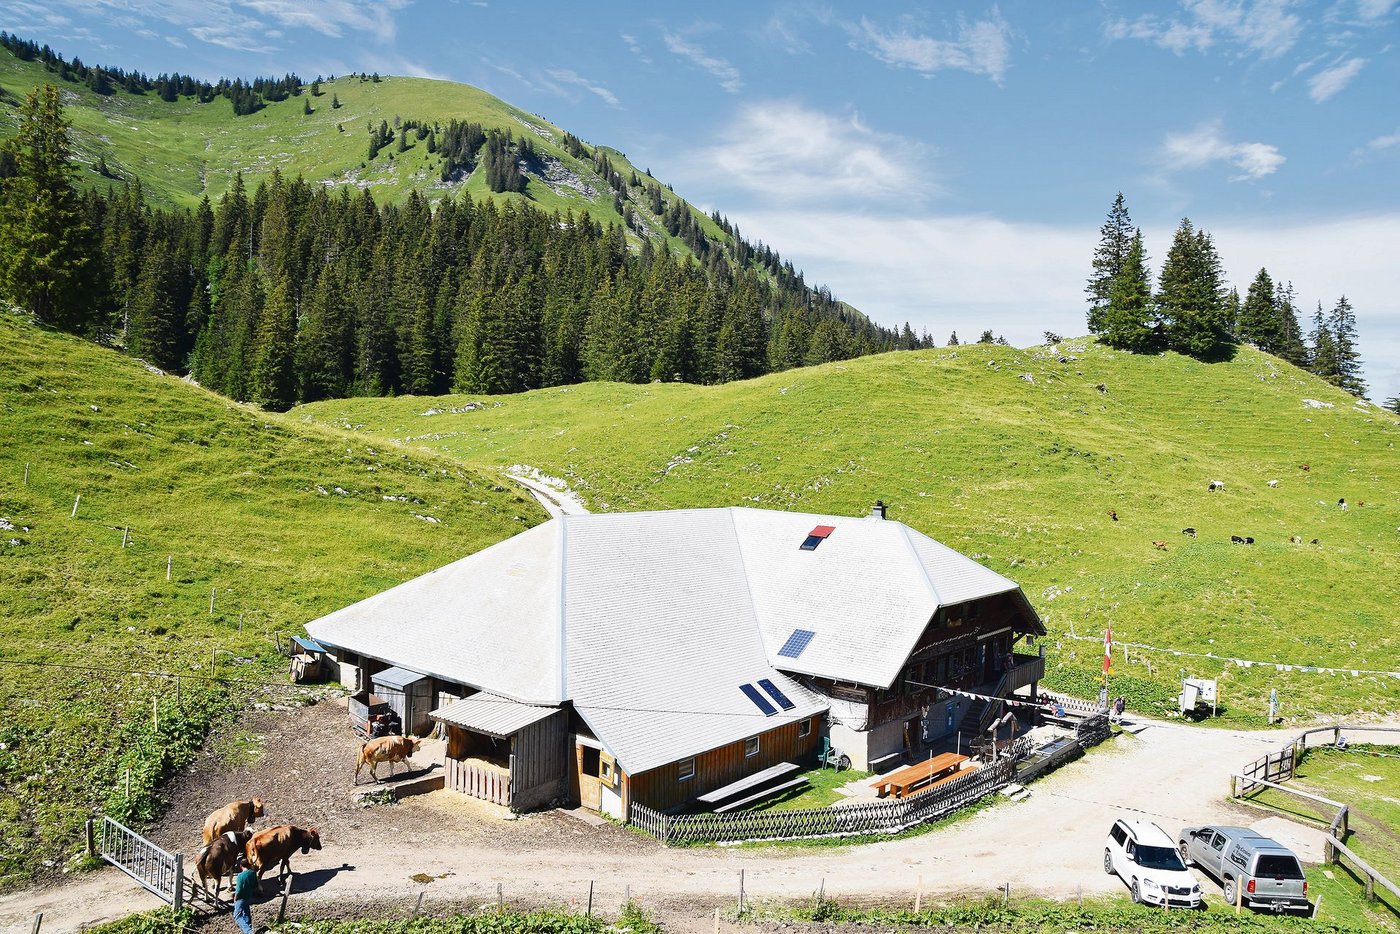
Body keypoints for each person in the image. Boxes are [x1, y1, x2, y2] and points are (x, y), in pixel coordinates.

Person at [232, 856, 258, 934]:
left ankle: (249, 931)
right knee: (246, 913)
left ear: (241, 866)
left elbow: (239, 889)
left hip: (241, 898)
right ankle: (249, 928)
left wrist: (235, 897)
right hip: (248, 896)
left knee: (237, 916)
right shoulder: (253, 873)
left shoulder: (240, 876)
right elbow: (255, 885)